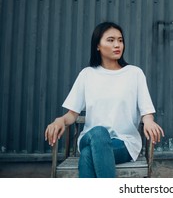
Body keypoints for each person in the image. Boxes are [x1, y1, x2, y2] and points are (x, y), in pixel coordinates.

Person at [45, 21, 164, 178]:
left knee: (87, 156)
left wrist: (148, 120)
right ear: (97, 46)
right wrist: (59, 120)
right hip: (89, 138)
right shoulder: (87, 74)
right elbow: (72, 114)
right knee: (99, 133)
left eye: (120, 40)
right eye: (110, 40)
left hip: (124, 143)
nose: (117, 45)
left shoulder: (134, 74)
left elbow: (146, 111)